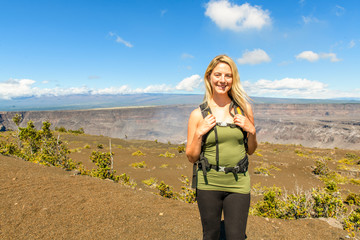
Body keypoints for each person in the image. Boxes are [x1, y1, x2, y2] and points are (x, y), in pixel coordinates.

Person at [186, 54, 257, 240]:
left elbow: (251, 150)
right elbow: (191, 157)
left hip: (238, 182)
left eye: (228, 75)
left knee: (236, 236)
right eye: (218, 75)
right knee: (211, 235)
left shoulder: (244, 109)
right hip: (208, 183)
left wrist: (252, 131)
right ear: (209, 76)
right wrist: (199, 133)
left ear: (234, 79)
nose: (222, 80)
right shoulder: (197, 114)